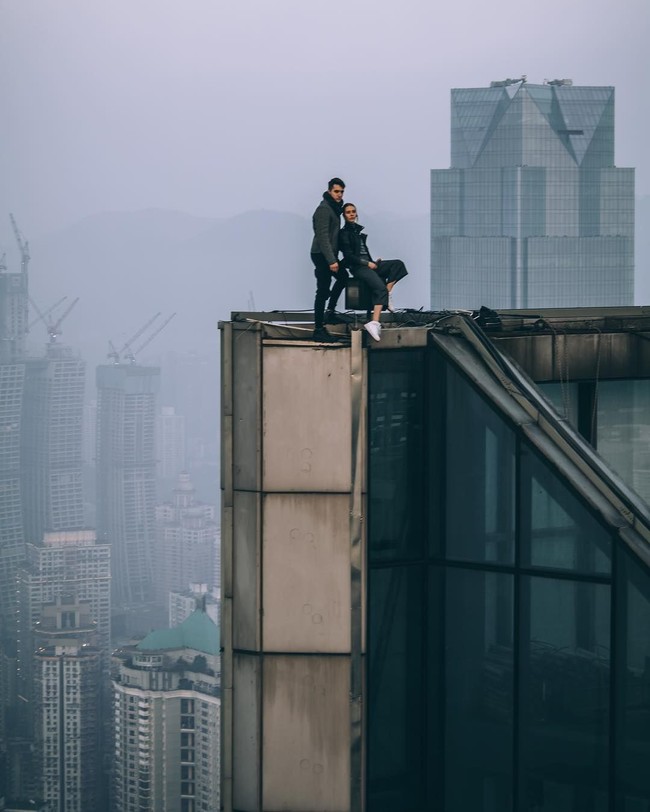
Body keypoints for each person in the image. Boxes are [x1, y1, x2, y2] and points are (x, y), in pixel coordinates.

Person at [339, 202, 408, 342]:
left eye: (353, 211)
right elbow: (349, 256)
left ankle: (387, 294)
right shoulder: (344, 234)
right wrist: (367, 263)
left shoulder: (357, 233)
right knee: (380, 288)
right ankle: (374, 323)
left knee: (398, 265)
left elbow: (363, 253)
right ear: (344, 215)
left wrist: (373, 263)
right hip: (359, 268)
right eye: (348, 212)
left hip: (369, 264)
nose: (351, 214)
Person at [310, 177, 348, 342]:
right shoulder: (324, 209)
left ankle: (330, 312)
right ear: (329, 191)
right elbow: (323, 237)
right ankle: (318, 329)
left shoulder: (334, 208)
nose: (339, 195)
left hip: (329, 255)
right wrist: (332, 261)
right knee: (322, 291)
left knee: (343, 277)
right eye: (336, 191)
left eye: (341, 192)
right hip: (321, 255)